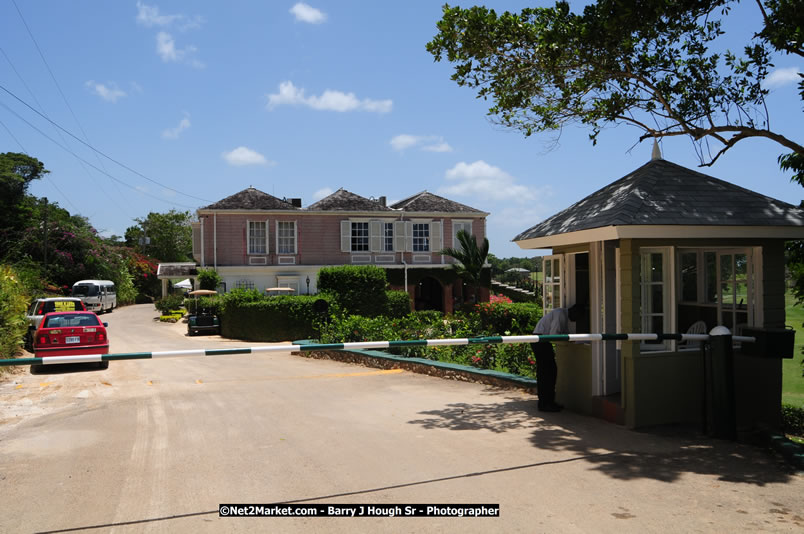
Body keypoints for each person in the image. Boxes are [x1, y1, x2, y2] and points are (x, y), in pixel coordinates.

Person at [531, 304, 582, 412]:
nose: (577, 320)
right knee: (547, 373)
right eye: (578, 316)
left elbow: (564, 333)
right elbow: (554, 334)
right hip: (541, 341)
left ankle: (547, 402)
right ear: (574, 311)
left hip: (542, 341)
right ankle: (545, 403)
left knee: (548, 372)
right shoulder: (560, 314)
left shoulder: (563, 315)